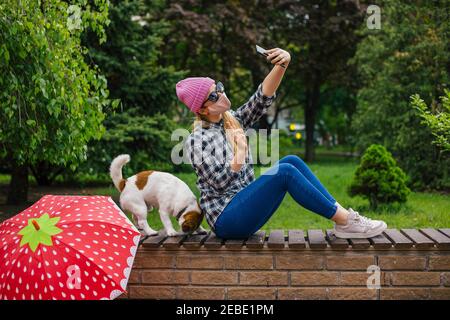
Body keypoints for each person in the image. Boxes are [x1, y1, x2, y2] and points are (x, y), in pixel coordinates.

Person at [176, 47, 387, 239]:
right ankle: (345, 221)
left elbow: (261, 98)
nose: (222, 94)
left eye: (219, 87)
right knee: (284, 172)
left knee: (292, 161)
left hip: (244, 208)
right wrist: (240, 154)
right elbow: (220, 183)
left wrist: (282, 65)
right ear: (203, 110)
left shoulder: (231, 120)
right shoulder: (197, 140)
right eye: (214, 95)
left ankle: (345, 218)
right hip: (227, 220)